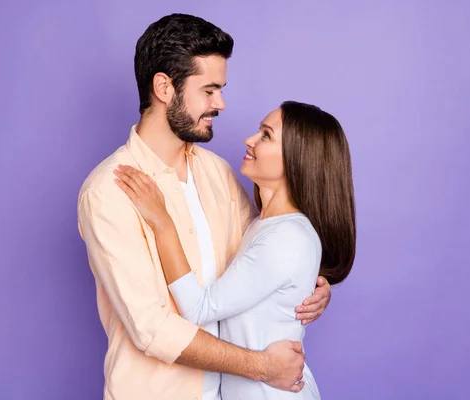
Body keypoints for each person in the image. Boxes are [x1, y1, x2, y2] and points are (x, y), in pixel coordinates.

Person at [77, 13, 332, 400]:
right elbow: (153, 329)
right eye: (209, 90)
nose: (222, 104)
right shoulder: (108, 191)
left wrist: (308, 285)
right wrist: (261, 366)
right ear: (164, 87)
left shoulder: (218, 173)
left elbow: (258, 256)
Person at [114, 100, 356, 399]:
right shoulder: (263, 226)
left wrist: (163, 223)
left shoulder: (286, 237)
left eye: (266, 135)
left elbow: (199, 309)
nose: (249, 140)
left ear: (297, 158)